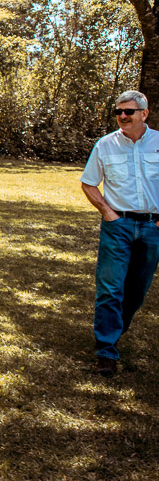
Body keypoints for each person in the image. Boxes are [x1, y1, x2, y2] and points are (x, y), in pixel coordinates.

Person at [80, 89, 159, 377]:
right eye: (118, 112)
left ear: (144, 114)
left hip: (153, 227)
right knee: (110, 288)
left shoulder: (158, 143)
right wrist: (108, 214)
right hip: (118, 227)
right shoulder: (105, 145)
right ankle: (106, 352)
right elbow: (89, 183)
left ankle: (115, 328)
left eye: (128, 111)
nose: (123, 116)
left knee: (137, 290)